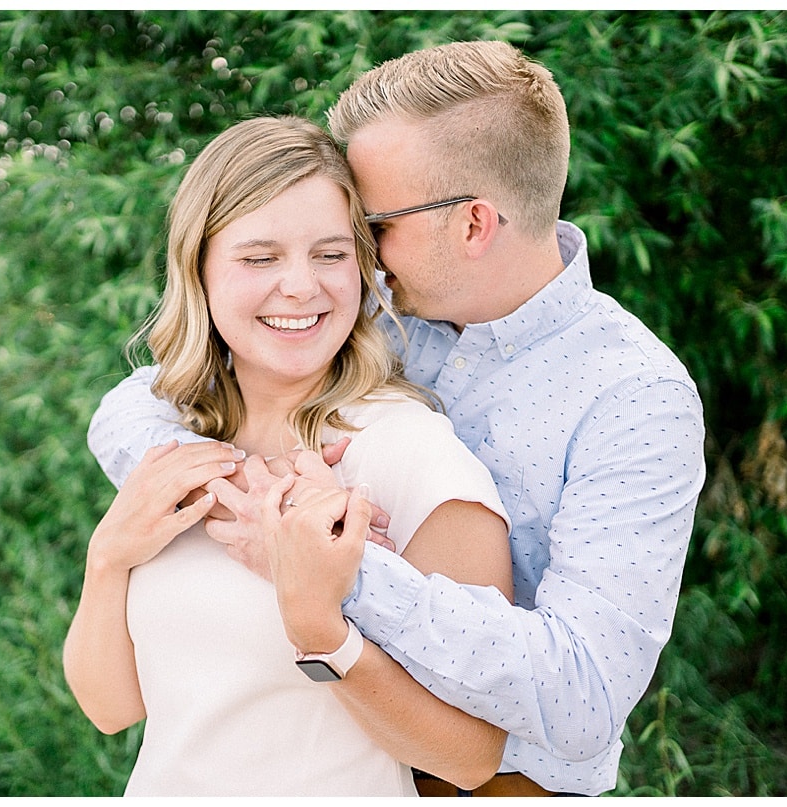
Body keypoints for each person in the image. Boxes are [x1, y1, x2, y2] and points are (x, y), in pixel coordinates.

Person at [87, 41, 707, 797]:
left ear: (474, 225)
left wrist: (343, 568)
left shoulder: (634, 394)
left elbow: (582, 696)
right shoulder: (373, 316)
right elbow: (140, 400)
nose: (359, 254)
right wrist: (246, 489)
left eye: (371, 225)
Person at [63, 115, 516, 796]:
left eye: (331, 254)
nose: (302, 286)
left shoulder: (408, 453)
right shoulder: (180, 443)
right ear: (200, 268)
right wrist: (108, 557)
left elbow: (473, 755)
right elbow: (112, 708)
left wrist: (324, 632)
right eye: (260, 257)